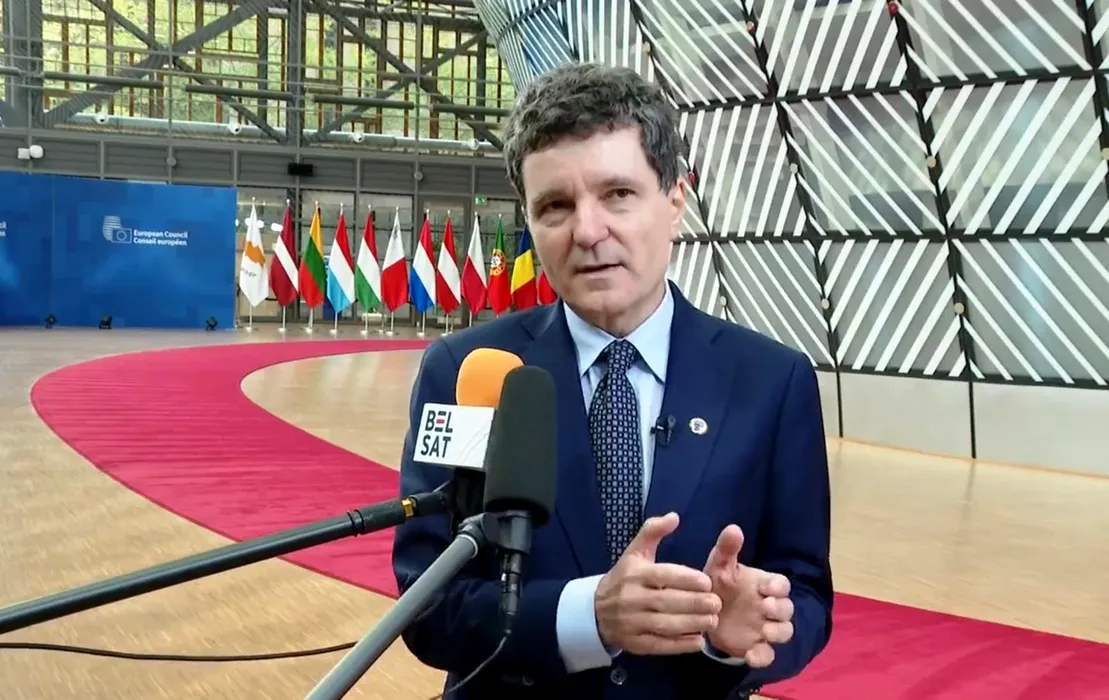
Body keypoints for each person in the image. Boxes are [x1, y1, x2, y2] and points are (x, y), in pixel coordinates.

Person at [392, 62, 833, 699]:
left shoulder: (772, 382)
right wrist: (588, 616)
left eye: (618, 194)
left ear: (676, 201)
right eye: (555, 206)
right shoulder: (469, 372)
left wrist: (739, 635)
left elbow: (807, 593)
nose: (588, 231)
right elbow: (429, 604)